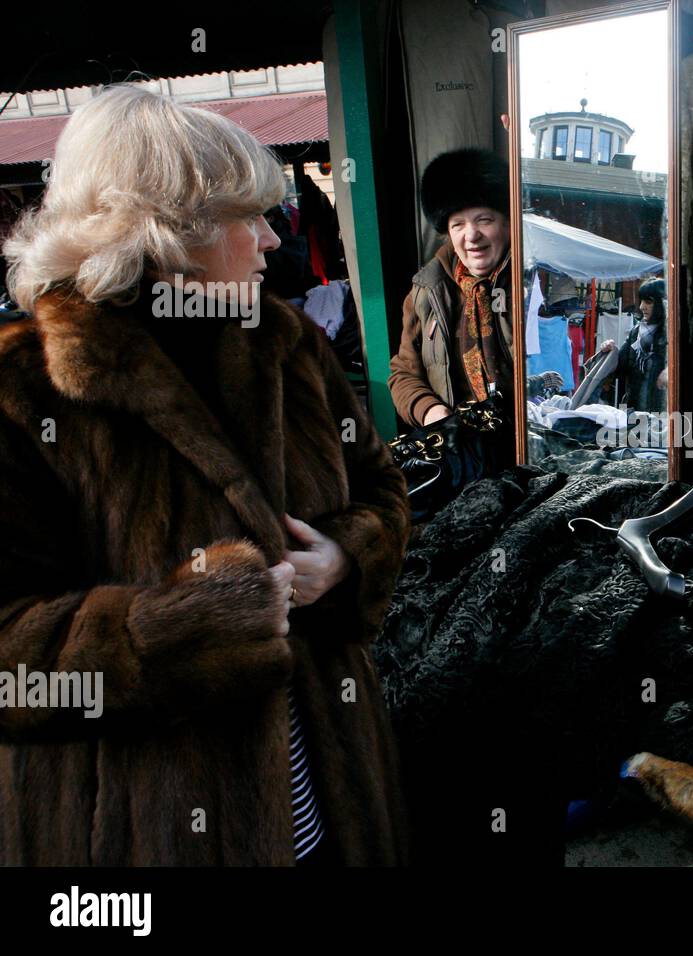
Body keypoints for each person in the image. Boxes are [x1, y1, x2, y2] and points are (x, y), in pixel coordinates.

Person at [0, 85, 410, 865]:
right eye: (244, 217)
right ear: (163, 231)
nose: (270, 240)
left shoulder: (286, 344)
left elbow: (379, 486)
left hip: (329, 805)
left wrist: (346, 557)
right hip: (133, 833)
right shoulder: (26, 391)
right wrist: (190, 628)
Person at [388, 148, 516, 430]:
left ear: (508, 223)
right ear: (447, 232)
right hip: (464, 451)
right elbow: (403, 372)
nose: (472, 235)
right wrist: (431, 411)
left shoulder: (528, 281)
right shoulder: (426, 292)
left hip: (528, 443)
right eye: (458, 224)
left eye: (484, 220)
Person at [596, 278, 669, 413]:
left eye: (648, 302)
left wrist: (672, 370)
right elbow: (620, 365)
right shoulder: (636, 332)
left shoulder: (674, 334)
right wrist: (609, 351)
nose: (642, 307)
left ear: (662, 303)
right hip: (634, 413)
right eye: (641, 301)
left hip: (664, 416)